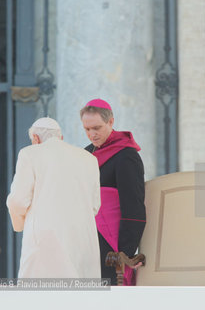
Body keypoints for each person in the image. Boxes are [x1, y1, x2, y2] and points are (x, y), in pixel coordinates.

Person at [6, 117, 101, 278]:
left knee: (43, 297)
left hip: (45, 238)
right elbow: (94, 206)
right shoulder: (89, 158)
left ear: (35, 139)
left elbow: (18, 200)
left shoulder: (29, 153)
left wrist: (19, 225)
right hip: (83, 238)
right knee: (81, 298)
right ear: (61, 137)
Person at [80, 98, 146, 286]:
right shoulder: (85, 155)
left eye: (97, 128)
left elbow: (134, 207)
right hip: (87, 240)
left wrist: (125, 253)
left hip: (112, 245)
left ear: (110, 122)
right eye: (87, 129)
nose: (92, 134)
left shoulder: (127, 156)